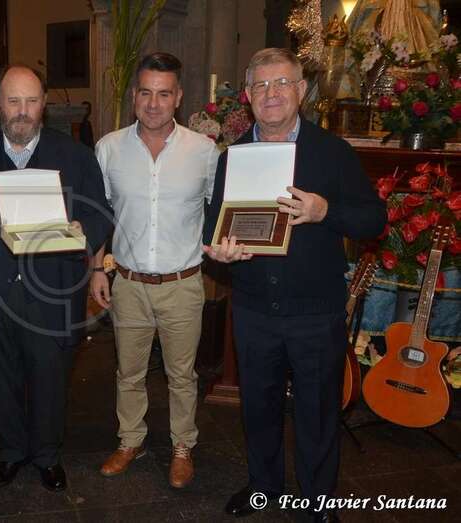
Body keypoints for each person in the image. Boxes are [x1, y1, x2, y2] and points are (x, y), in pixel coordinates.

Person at [202, 48, 386, 521]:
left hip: (314, 310)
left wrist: (327, 212)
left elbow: (374, 220)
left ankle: (319, 500)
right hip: (254, 308)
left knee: (318, 412)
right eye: (260, 86)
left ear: (301, 91)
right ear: (247, 96)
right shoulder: (234, 158)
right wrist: (219, 253)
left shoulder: (333, 152)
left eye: (281, 83)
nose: (271, 94)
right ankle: (262, 488)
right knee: (258, 409)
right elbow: (213, 229)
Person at [0, 64, 112, 492]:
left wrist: (80, 234)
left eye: (32, 101)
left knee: (50, 380)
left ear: (44, 106)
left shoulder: (74, 155)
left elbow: (100, 214)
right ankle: (12, 451)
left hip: (50, 292)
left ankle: (46, 455)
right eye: (13, 101)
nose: (22, 111)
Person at [90, 52, 219, 489]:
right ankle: (130, 441)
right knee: (128, 371)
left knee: (182, 374)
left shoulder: (203, 152)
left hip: (183, 285)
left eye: (164, 94)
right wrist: (97, 268)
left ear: (178, 97)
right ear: (134, 97)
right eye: (145, 92)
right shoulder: (108, 148)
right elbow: (100, 215)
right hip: (128, 283)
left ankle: (183, 447)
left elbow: (220, 213)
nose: (154, 103)